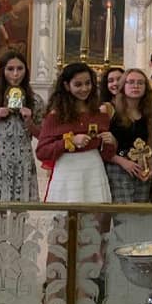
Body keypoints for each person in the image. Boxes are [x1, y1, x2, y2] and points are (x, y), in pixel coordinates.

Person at [36, 63, 116, 204]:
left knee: (94, 214)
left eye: (88, 83)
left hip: (94, 170)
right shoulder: (56, 115)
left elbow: (107, 155)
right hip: (68, 172)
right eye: (78, 85)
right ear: (67, 86)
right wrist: (70, 141)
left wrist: (111, 142)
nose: (84, 89)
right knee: (66, 215)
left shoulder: (99, 113)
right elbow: (42, 152)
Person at [0, 50, 46, 201]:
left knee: (20, 209)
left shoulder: (35, 100)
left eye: (20, 69)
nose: (15, 74)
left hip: (23, 159)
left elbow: (43, 136)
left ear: (26, 71)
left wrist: (29, 122)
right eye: (10, 69)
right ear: (3, 71)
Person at [105, 69, 152, 203]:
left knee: (140, 212)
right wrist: (123, 162)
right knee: (124, 213)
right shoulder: (111, 111)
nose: (136, 86)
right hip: (118, 168)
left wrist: (150, 165)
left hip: (140, 168)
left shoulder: (148, 114)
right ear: (123, 86)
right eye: (131, 82)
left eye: (140, 83)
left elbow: (149, 145)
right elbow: (101, 147)